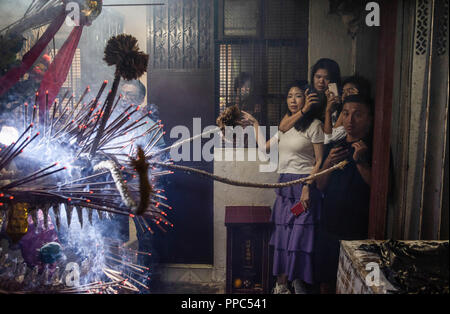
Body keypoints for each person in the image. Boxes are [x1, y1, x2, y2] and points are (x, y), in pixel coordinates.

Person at [242, 80, 324, 294]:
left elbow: (319, 161)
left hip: (303, 190)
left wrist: (307, 186)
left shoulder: (315, 125)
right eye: (289, 96)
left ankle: (298, 284)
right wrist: (255, 124)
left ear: (307, 99)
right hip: (286, 190)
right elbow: (265, 148)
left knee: (299, 237)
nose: (293, 100)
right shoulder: (285, 126)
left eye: (298, 95)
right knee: (284, 237)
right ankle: (281, 285)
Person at [315, 94, 373, 294]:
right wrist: (329, 162)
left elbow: (383, 190)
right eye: (346, 114)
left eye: (357, 115)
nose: (349, 120)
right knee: (326, 284)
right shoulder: (334, 146)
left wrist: (360, 162)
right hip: (330, 229)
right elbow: (321, 186)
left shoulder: (374, 149)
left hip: (357, 232)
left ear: (369, 118)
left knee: (353, 285)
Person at [279, 58, 341, 133]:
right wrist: (304, 109)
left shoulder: (338, 99)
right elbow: (282, 127)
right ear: (313, 77)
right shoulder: (306, 93)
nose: (321, 81)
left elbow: (329, 136)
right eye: (318, 77)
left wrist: (330, 108)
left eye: (326, 78)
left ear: (333, 80)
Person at [324, 75, 371, 144]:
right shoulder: (337, 112)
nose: (345, 95)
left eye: (350, 91)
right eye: (343, 92)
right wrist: (328, 110)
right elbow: (327, 138)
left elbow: (330, 139)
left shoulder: (359, 114)